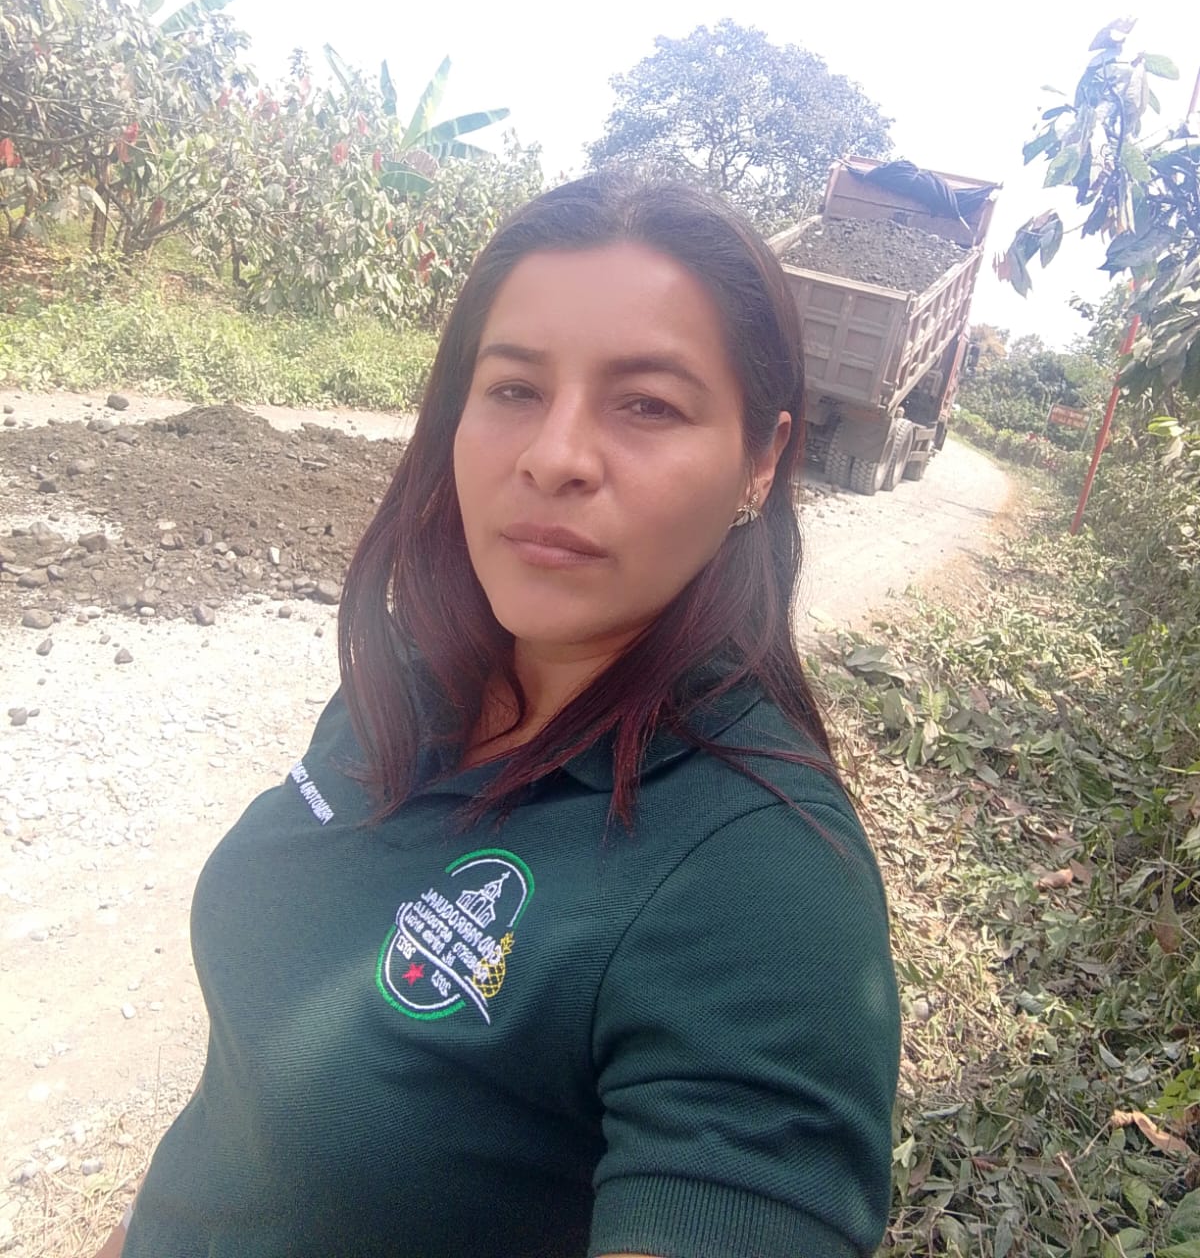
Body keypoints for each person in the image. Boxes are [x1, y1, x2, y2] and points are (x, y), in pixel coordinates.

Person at [100, 172, 900, 1258]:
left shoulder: (762, 885)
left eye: (647, 405)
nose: (554, 456)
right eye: (516, 388)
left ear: (762, 460)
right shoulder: (405, 688)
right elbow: (236, 1120)